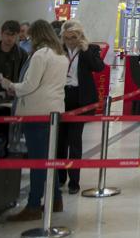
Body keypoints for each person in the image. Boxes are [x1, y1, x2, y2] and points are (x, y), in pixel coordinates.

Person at [0, 20, 69, 222]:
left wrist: (10, 85)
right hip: (54, 112)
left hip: (37, 112)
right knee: (50, 159)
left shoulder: (40, 55)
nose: (28, 40)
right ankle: (55, 200)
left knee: (38, 161)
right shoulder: (60, 55)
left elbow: (30, 85)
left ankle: (32, 206)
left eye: (30, 36)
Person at [54, 21, 106, 194]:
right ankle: (60, 178)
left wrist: (84, 49)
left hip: (80, 97)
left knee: (75, 140)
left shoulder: (89, 49)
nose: (70, 41)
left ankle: (74, 181)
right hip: (61, 97)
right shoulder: (58, 49)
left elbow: (99, 68)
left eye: (73, 38)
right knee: (60, 140)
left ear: (80, 36)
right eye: (67, 38)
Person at [0, 21, 30, 95]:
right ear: (2, 33)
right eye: (7, 34)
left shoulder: (23, 55)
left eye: (13, 35)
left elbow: (25, 79)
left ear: (17, 35)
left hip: (13, 95)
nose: (10, 38)